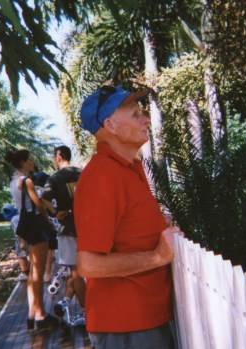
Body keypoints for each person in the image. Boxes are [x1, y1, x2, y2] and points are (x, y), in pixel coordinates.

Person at [74, 83, 183, 348]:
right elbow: (89, 264)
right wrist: (157, 256)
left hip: (144, 320)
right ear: (110, 126)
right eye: (135, 114)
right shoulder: (104, 175)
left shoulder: (127, 169)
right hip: (127, 326)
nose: (145, 118)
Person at [3, 149, 60, 330]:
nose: (33, 161)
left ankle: (32, 314)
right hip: (36, 224)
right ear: (23, 162)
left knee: (32, 272)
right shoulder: (26, 181)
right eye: (30, 159)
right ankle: (41, 315)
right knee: (39, 271)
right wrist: (49, 221)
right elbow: (39, 204)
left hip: (25, 225)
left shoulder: (14, 181)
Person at [40, 145, 86, 326]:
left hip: (68, 228)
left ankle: (87, 313)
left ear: (58, 158)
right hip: (88, 227)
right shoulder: (82, 173)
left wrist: (55, 212)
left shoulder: (55, 177)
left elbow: (44, 199)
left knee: (76, 273)